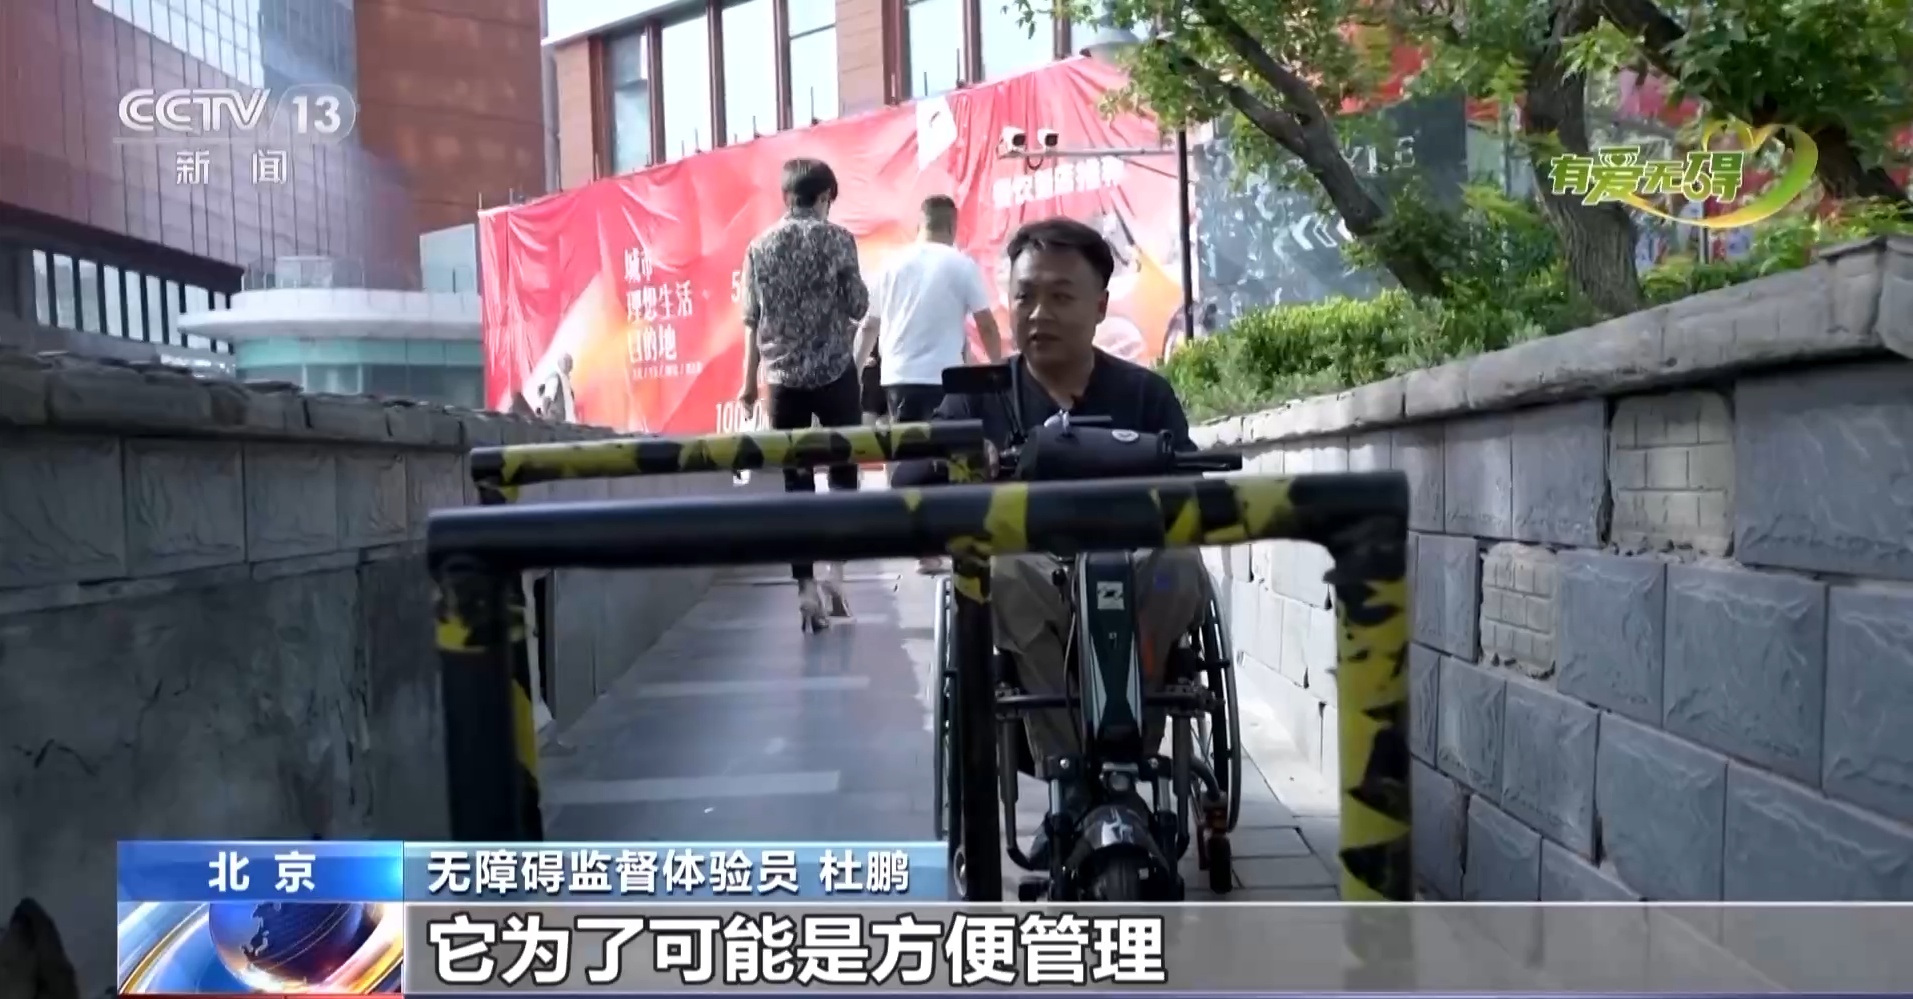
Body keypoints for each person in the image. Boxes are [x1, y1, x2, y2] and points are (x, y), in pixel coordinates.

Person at [901, 216, 1208, 821]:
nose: (1039, 313)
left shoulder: (1145, 395)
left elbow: (1191, 487)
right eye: (1025, 297)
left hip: (1133, 571)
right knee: (1005, 575)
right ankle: (1071, 775)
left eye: (1061, 297)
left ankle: (1129, 749)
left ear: (1100, 307)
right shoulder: (977, 397)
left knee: (1178, 566)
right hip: (1032, 576)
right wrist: (965, 463)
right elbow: (908, 480)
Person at [737, 158, 869, 632]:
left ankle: (806, 589)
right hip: (835, 373)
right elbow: (858, 305)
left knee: (796, 485)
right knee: (844, 472)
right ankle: (836, 572)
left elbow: (751, 321)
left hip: (783, 380)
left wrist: (748, 383)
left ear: (786, 196)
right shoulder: (838, 240)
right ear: (826, 196)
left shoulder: (759, 247)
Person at [852, 194, 1002, 571]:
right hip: (945, 379)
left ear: (920, 224)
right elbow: (986, 323)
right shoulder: (961, 264)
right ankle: (950, 541)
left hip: (898, 378)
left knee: (908, 461)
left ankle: (922, 548)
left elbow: (869, 326)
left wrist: (854, 372)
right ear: (952, 225)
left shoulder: (891, 264)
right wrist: (998, 369)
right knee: (949, 459)